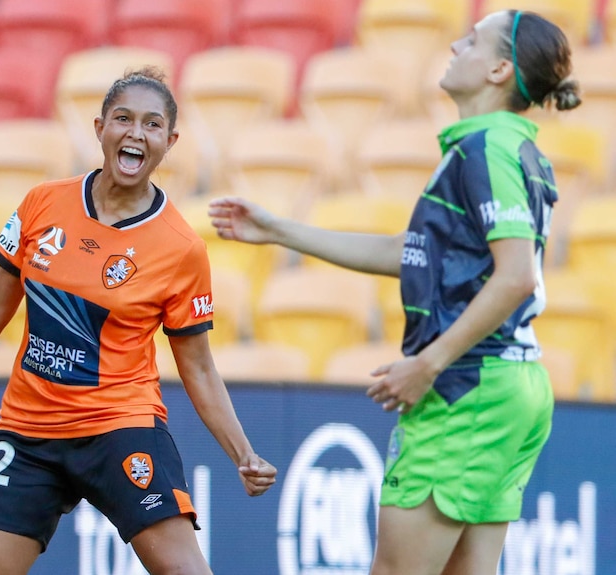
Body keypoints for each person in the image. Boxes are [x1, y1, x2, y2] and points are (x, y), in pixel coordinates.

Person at [209, 10, 580, 575]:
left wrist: (427, 364)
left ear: (500, 68)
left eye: (474, 41)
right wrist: (279, 230)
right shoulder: (503, 147)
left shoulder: (485, 150)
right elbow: (407, 253)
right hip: (506, 384)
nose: (457, 45)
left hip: (466, 390)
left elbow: (517, 275)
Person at [0, 67, 277, 575]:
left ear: (170, 141)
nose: (136, 133)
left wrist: (242, 454)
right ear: (99, 129)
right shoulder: (42, 203)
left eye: (152, 125)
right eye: (123, 119)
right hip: (28, 432)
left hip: (120, 427)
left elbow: (199, 368)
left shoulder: (181, 249)